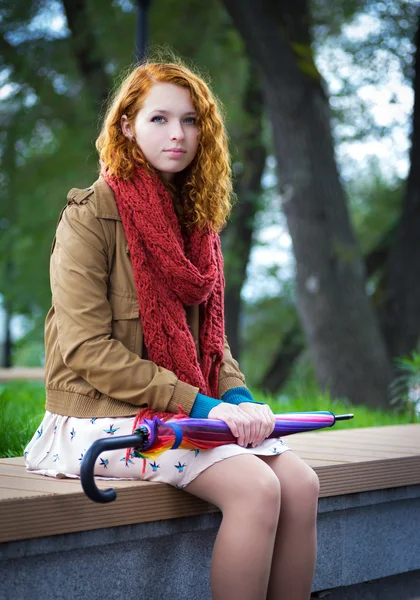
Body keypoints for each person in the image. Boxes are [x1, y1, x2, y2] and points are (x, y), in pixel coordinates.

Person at [24, 60, 319, 600]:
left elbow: (213, 343)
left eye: (190, 120)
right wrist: (203, 406)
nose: (178, 134)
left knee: (301, 483)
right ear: (127, 127)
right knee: (255, 490)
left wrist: (240, 400)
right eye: (159, 118)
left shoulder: (198, 221)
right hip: (98, 418)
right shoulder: (90, 217)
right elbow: (88, 351)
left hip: (182, 410)